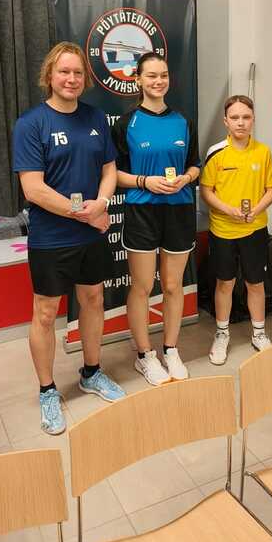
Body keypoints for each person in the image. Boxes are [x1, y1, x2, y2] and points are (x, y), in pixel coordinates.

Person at [13, 41, 125, 435]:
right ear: (50, 75)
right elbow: (34, 189)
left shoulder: (95, 117)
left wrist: (102, 203)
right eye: (64, 71)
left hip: (91, 234)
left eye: (78, 72)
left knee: (93, 299)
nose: (71, 79)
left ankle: (92, 372)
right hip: (52, 237)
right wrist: (86, 213)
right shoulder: (31, 124)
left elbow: (109, 169)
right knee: (45, 313)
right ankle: (47, 390)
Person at [112, 52, 200, 385]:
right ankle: (145, 356)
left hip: (179, 210)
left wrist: (186, 178)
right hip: (142, 211)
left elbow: (195, 165)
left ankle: (171, 350)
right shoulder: (126, 123)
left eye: (163, 75)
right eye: (151, 75)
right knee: (143, 286)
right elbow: (113, 174)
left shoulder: (183, 121)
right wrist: (144, 181)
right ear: (138, 80)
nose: (158, 81)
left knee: (174, 285)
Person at [200, 95, 272, 364]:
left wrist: (256, 209)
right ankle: (222, 334)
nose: (241, 122)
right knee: (225, 283)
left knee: (255, 283)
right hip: (223, 230)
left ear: (253, 119)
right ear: (226, 121)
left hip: (255, 229)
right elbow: (206, 191)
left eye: (246, 117)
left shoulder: (263, 152)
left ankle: (259, 333)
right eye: (235, 117)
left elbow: (271, 190)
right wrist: (228, 209)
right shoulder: (216, 152)